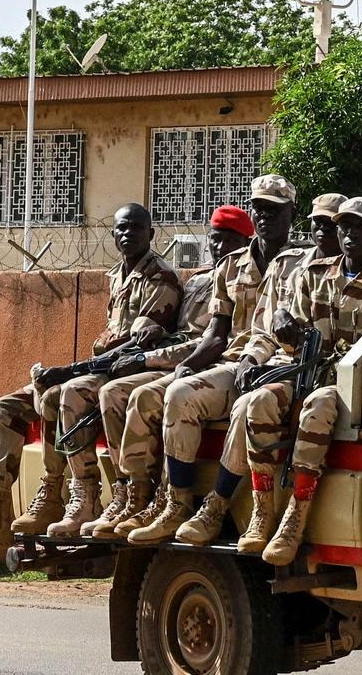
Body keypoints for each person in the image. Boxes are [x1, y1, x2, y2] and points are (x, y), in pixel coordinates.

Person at [0, 204, 178, 551]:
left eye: (136, 227)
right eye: (121, 228)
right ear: (113, 235)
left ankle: (81, 493)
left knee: (62, 393)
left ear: (151, 233)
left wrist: (71, 370)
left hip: (126, 370)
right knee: (7, 407)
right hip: (96, 367)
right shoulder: (116, 276)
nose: (128, 234)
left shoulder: (161, 277)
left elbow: (137, 346)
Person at [121, 175, 308, 545]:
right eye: (260, 209)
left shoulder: (303, 265)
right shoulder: (231, 265)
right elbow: (216, 334)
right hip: (232, 363)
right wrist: (190, 363)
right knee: (179, 393)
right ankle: (176, 503)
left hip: (279, 366)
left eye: (274, 210)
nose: (265, 217)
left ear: (291, 213)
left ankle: (216, 506)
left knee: (247, 407)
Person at [210, 196, 362, 562]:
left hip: (355, 385)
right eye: (345, 227)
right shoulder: (316, 274)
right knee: (259, 401)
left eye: (359, 227)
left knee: (317, 409)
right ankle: (263, 511)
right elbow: (289, 331)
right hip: (306, 370)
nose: (350, 234)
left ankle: (296, 513)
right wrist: (286, 330)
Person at [73, 205, 253, 541]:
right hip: (177, 359)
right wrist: (153, 341)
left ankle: (165, 497)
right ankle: (129, 491)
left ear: (246, 241)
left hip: (208, 365)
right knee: (111, 393)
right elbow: (179, 333)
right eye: (214, 239)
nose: (219, 247)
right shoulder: (198, 280)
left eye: (230, 241)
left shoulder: (249, 280)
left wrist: (147, 360)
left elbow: (209, 342)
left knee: (146, 396)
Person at [307, 192, 346, 260]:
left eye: (331, 222)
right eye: (318, 220)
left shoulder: (353, 266)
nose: (323, 227)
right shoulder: (290, 261)